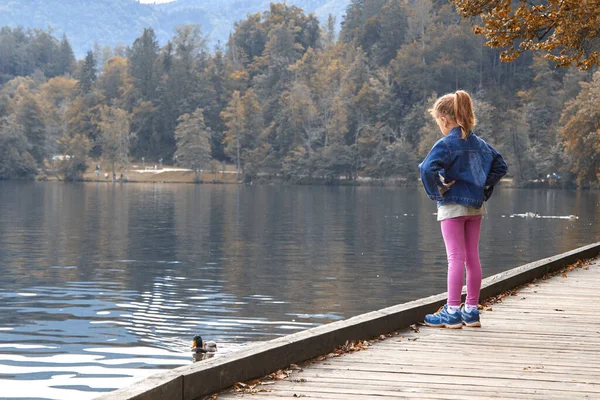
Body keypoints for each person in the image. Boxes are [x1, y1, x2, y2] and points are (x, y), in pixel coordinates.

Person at [418, 90, 507, 329]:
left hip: (452, 206)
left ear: (445, 119)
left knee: (455, 257)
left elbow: (427, 169)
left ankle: (453, 311)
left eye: (438, 120)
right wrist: (483, 188)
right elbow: (500, 165)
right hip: (475, 208)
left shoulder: (446, 143)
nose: (439, 125)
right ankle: (471, 311)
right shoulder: (479, 143)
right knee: (471, 257)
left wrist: (438, 190)